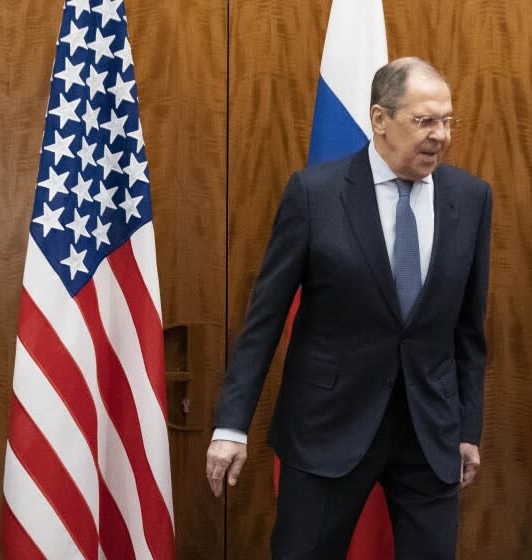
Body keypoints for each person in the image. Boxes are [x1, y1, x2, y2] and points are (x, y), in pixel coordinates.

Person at [206, 57, 491, 559]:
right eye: (424, 121)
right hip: (327, 426)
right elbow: (264, 321)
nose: (440, 136)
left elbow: (468, 330)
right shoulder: (315, 195)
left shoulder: (470, 198)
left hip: (430, 433)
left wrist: (468, 429)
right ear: (380, 118)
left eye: (447, 121)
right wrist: (232, 426)